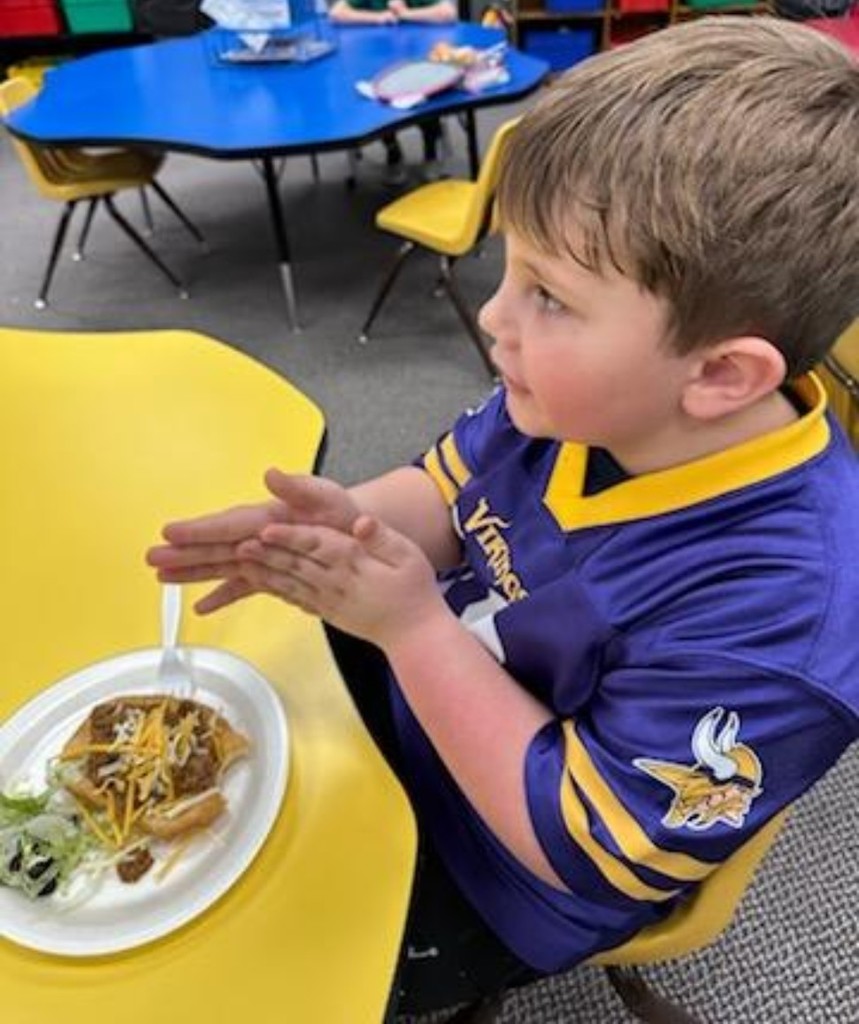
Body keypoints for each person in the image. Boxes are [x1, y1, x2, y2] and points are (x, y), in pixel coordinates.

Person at [147, 17, 859, 1021]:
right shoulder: (574, 400)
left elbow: (585, 850)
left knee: (235, 965)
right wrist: (334, 529)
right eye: (507, 270)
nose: (494, 317)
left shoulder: (789, 608)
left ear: (718, 374)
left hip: (506, 874)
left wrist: (409, 625)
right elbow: (441, 493)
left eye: (548, 297)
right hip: (425, 682)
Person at [328, 0, 456, 182]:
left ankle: (431, 153)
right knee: (378, 96)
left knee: (427, 94)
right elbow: (337, 14)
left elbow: (448, 13)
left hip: (419, 56)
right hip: (380, 56)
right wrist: (378, 17)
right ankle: (393, 151)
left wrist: (405, 15)